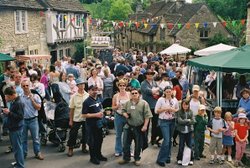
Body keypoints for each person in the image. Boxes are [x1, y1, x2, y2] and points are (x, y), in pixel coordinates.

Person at [118, 88, 152, 166]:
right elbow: (123, 110)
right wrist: (124, 114)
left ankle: (137, 159)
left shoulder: (144, 103)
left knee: (138, 144)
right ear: (130, 95)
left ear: (139, 94)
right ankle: (126, 158)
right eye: (132, 93)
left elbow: (148, 116)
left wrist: (145, 126)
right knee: (126, 143)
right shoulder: (127, 103)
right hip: (128, 126)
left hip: (139, 127)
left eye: (135, 93)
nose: (134, 95)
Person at [82, 85, 107, 165]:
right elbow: (84, 115)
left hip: (99, 124)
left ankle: (98, 155)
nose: (95, 91)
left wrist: (103, 112)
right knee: (92, 142)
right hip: (91, 125)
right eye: (92, 90)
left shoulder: (98, 99)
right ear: (89, 91)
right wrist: (96, 115)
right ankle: (93, 157)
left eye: (96, 89)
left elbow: (100, 109)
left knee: (99, 140)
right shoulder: (86, 102)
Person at [155, 86, 179, 167]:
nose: (169, 93)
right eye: (167, 91)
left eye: (170, 91)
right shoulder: (161, 100)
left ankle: (167, 156)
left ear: (172, 92)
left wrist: (173, 110)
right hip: (163, 121)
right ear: (164, 92)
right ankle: (160, 159)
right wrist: (164, 109)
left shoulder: (174, 100)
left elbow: (177, 109)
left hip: (172, 121)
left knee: (170, 140)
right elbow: (156, 111)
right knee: (166, 140)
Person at [20, 80, 44, 160]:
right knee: (23, 139)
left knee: (36, 138)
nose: (25, 87)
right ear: (21, 87)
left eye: (27, 85)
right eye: (23, 86)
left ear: (29, 86)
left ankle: (37, 153)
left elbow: (38, 108)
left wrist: (32, 100)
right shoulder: (20, 97)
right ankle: (23, 154)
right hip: (24, 120)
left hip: (33, 120)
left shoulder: (35, 96)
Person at [3, 87, 25, 168]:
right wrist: (8, 112)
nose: (6, 98)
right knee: (17, 147)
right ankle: (18, 163)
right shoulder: (15, 101)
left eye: (7, 96)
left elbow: (20, 117)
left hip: (16, 129)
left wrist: (9, 113)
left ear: (12, 95)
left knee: (17, 148)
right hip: (14, 128)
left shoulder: (18, 103)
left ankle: (20, 165)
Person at [67, 78, 89, 157]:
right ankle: (70, 148)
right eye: (80, 84)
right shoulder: (74, 96)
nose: (82, 86)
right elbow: (71, 109)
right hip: (76, 118)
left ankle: (84, 146)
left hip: (85, 118)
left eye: (83, 84)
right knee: (73, 133)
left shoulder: (87, 95)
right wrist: (70, 120)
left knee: (85, 133)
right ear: (77, 86)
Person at [141, 69, 162, 146]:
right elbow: (148, 91)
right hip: (147, 106)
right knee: (146, 124)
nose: (150, 75)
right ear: (146, 75)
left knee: (155, 124)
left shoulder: (154, 83)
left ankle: (153, 139)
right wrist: (155, 91)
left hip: (155, 106)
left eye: (152, 74)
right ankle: (144, 140)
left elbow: (161, 91)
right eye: (149, 74)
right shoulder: (143, 83)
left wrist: (156, 91)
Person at [112, 79, 130, 157]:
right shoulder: (115, 96)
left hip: (127, 117)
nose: (122, 87)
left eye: (124, 85)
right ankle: (118, 150)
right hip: (118, 116)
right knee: (118, 134)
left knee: (128, 134)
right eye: (120, 85)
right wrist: (117, 106)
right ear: (118, 86)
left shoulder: (129, 94)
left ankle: (128, 150)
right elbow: (112, 107)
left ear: (126, 86)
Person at [176, 100, 195, 165]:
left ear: (188, 105)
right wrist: (188, 120)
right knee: (181, 145)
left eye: (187, 104)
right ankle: (179, 158)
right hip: (182, 132)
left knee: (190, 145)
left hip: (189, 131)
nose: (185, 106)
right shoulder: (179, 112)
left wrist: (185, 121)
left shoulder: (191, 112)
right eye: (184, 104)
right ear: (182, 105)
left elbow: (193, 121)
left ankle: (191, 159)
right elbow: (179, 121)